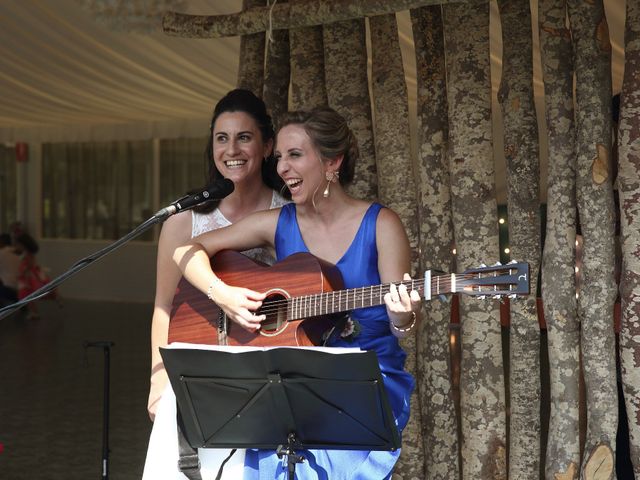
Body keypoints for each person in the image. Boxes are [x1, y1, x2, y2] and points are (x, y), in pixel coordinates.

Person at [172, 107, 420, 479]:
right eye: (279, 158)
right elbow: (185, 251)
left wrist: (403, 318)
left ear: (332, 161)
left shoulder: (381, 225)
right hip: (290, 379)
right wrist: (222, 294)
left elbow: (402, 325)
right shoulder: (277, 224)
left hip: (366, 381)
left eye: (295, 155)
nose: (283, 168)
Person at [143, 89, 289, 479]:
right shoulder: (183, 222)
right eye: (221, 138)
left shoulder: (289, 214)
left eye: (244, 137)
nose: (231, 149)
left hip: (264, 375)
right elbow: (163, 306)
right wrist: (159, 379)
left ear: (267, 145)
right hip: (195, 375)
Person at [0, 233, 20, 306]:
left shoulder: (1, 253)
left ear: (1, 242)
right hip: (20, 288)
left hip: (6, 288)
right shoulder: (18, 252)